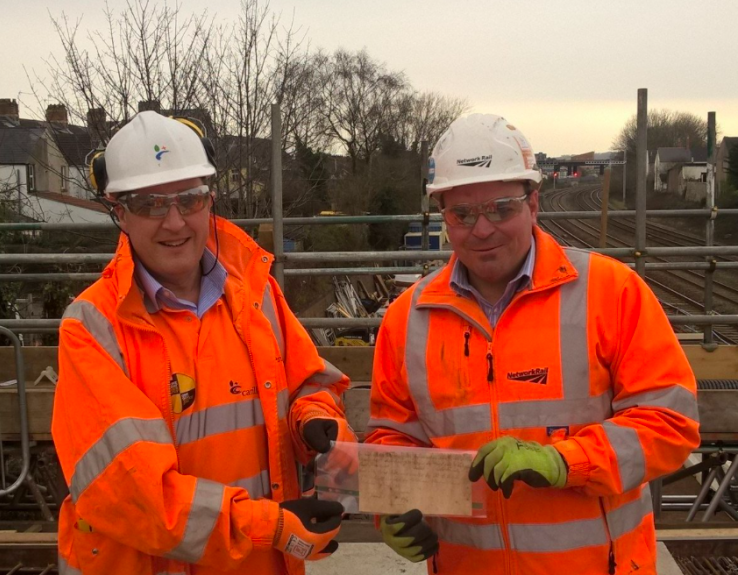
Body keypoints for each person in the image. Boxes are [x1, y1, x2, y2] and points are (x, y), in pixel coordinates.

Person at [367, 114, 699, 574]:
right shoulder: (409, 318)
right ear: (443, 216)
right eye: (461, 214)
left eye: (501, 208)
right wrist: (391, 506)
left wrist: (567, 461)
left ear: (533, 203)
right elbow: (394, 439)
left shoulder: (610, 292)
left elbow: (671, 423)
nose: (481, 229)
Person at [52, 111, 356, 575]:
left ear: (209, 201)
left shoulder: (256, 294)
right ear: (120, 212)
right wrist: (267, 526)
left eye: (189, 199)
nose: (174, 223)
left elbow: (307, 383)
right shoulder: (94, 329)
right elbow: (135, 494)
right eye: (150, 204)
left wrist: (311, 419)